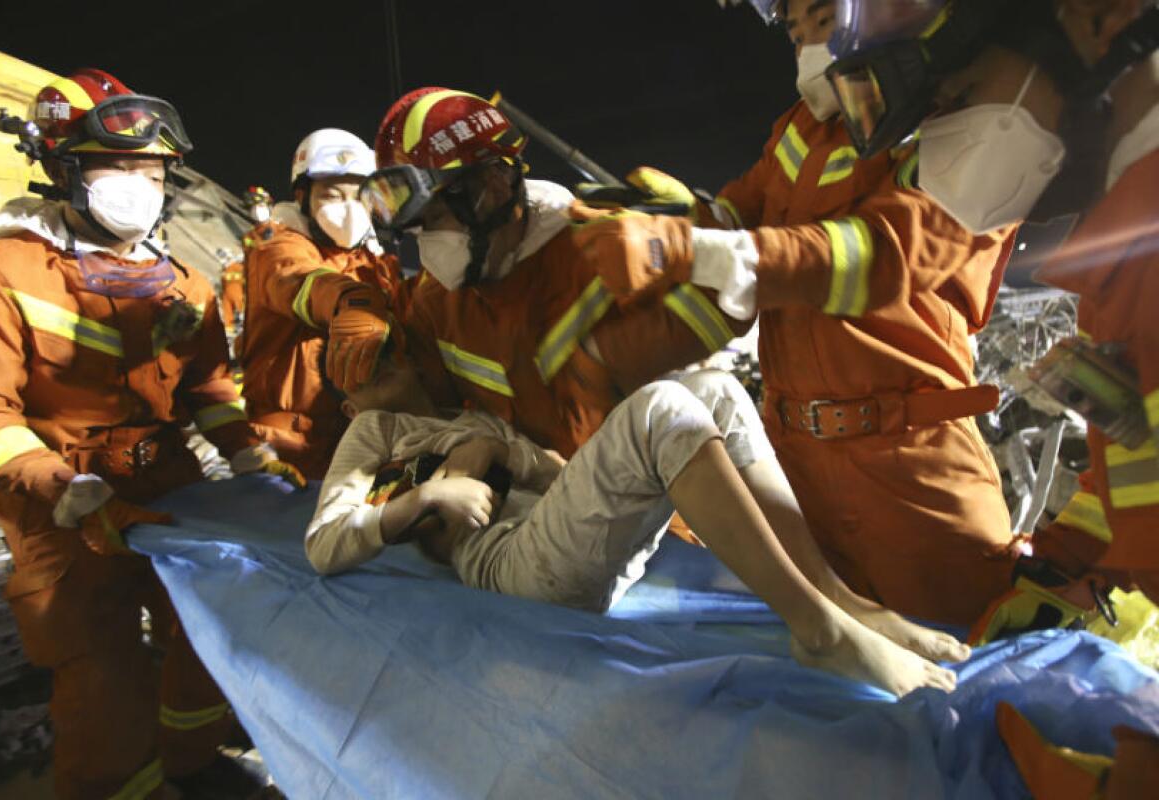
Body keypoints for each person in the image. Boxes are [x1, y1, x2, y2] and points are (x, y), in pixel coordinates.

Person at [571, 0, 1020, 626]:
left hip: (910, 468)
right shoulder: (801, 130)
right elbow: (739, 216)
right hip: (798, 463)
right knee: (834, 672)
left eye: (823, 21)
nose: (807, 44)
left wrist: (679, 248)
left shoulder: (961, 124)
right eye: (794, 31)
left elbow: (874, 258)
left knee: (962, 656)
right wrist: (669, 222)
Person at [826, 0, 1159, 794]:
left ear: (1094, 21)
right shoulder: (1131, 248)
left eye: (961, 89)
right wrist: (1073, 565)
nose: (941, 135)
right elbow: (1144, 454)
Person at [0, 68, 303, 799]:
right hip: (62, 500)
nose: (137, 184)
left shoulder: (184, 282)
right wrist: (67, 488)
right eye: (115, 166)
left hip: (170, 480)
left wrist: (245, 450)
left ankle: (191, 761)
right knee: (100, 669)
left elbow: (208, 388)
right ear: (62, 169)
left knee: (210, 629)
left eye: (151, 170)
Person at [306, 359, 971, 698]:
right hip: (506, 566)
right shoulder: (374, 433)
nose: (383, 368)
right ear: (348, 401)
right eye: (359, 366)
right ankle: (818, 632)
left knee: (711, 385)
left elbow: (559, 472)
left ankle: (841, 603)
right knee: (661, 410)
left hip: (556, 531)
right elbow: (324, 544)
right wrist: (428, 494)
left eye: (386, 350)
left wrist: (502, 453)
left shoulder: (471, 415)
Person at [362, 89, 753, 465]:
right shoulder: (436, 300)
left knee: (714, 392)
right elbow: (421, 396)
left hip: (651, 491)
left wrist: (695, 238)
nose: (428, 247)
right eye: (418, 232)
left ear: (492, 188)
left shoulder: (605, 249)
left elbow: (732, 305)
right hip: (537, 502)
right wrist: (357, 312)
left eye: (435, 220)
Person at [240, 128, 403, 479]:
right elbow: (299, 280)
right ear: (302, 197)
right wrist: (352, 299)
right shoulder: (276, 246)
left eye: (359, 198)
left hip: (359, 435)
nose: (348, 209)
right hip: (290, 442)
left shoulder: (375, 262)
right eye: (331, 196)